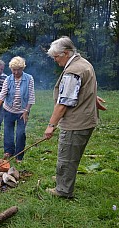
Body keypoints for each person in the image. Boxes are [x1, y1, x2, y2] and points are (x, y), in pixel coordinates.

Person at [44, 36, 106, 198]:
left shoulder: (73, 71)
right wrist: (94, 99)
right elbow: (85, 87)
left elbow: (64, 102)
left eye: (56, 57)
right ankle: (64, 177)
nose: (55, 60)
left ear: (65, 53)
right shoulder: (84, 63)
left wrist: (51, 125)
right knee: (72, 153)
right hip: (86, 118)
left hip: (76, 122)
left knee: (67, 155)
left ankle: (62, 190)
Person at [0, 56, 35, 163]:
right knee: (8, 132)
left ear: (22, 68)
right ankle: (8, 151)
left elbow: (31, 96)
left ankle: (19, 155)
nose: (15, 72)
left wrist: (26, 111)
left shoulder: (29, 79)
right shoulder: (8, 79)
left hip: (22, 112)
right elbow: (2, 94)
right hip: (8, 110)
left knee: (20, 134)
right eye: (13, 70)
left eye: (18, 70)